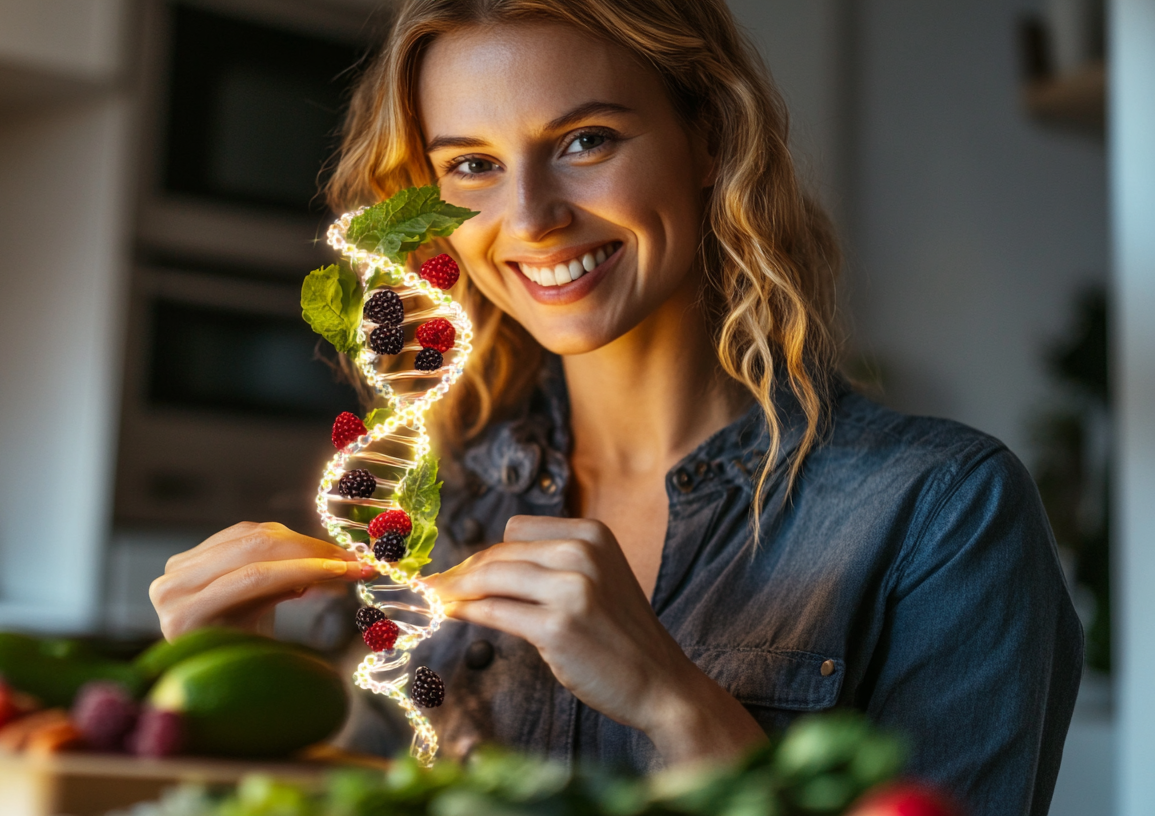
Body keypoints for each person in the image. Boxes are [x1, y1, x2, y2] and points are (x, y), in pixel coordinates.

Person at [148, 1, 1083, 813]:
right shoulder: (426, 514)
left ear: (711, 135)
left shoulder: (941, 513)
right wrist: (224, 703)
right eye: (471, 166)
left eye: (585, 141)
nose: (531, 217)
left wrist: (675, 704)